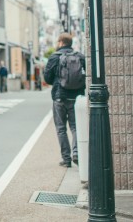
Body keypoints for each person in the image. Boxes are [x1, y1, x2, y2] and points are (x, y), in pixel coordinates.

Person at [43, 33, 86, 168]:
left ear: (61, 42)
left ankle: (66, 159)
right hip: (76, 97)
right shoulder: (79, 56)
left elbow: (47, 78)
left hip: (59, 96)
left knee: (61, 129)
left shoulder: (54, 57)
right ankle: (77, 153)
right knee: (75, 127)